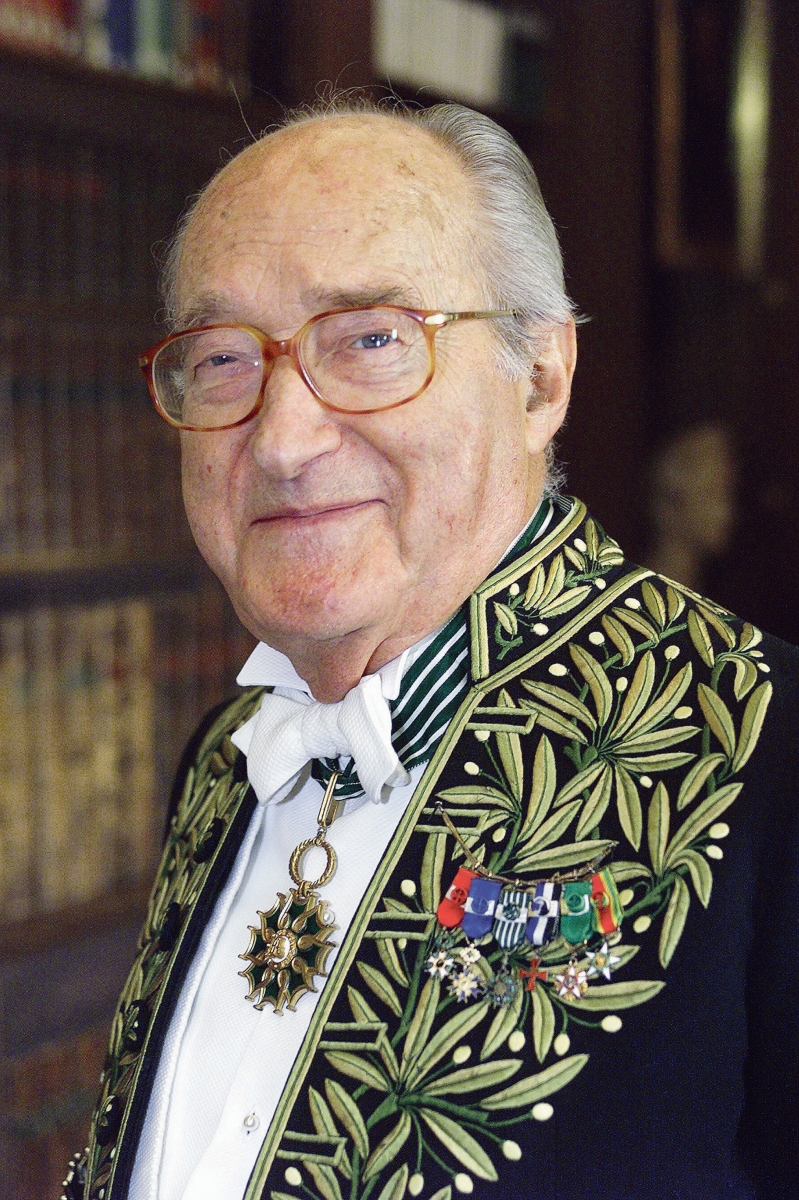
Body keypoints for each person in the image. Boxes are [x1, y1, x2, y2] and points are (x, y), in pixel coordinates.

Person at [64, 99, 798, 1200]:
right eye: (221, 360)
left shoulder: (770, 757)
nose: (282, 440)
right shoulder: (227, 761)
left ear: (540, 375)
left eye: (369, 340)